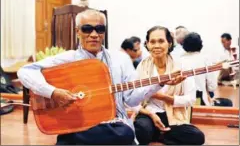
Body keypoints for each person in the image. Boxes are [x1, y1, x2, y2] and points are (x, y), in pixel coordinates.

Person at [17, 9, 185, 145]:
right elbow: (25, 71)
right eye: (87, 29)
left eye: (100, 29)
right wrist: (52, 92)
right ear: (77, 32)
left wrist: (158, 83)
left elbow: (132, 100)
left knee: (124, 132)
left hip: (112, 124)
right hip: (79, 122)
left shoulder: (120, 59)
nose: (94, 34)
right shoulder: (68, 59)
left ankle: (70, 139)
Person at [134, 26, 205, 145]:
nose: (156, 46)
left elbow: (190, 100)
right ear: (147, 44)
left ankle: (160, 135)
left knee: (197, 137)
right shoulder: (142, 66)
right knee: (139, 131)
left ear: (169, 43)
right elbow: (134, 100)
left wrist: (160, 96)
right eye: (152, 42)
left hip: (174, 116)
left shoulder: (182, 66)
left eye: (161, 41)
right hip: (150, 114)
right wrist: (151, 114)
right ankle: (160, 133)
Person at [181, 32, 220, 106]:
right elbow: (212, 86)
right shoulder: (205, 60)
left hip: (183, 102)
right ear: (200, 44)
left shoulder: (180, 60)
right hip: (200, 101)